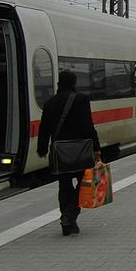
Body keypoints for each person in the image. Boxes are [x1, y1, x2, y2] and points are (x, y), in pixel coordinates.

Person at [37, 70, 101, 236]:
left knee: (64, 185)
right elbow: (88, 126)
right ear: (74, 83)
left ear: (59, 83)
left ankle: (67, 221)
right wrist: (96, 148)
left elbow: (44, 129)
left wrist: (42, 148)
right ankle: (70, 215)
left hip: (60, 151)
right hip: (80, 150)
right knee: (83, 183)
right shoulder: (81, 100)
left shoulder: (50, 103)